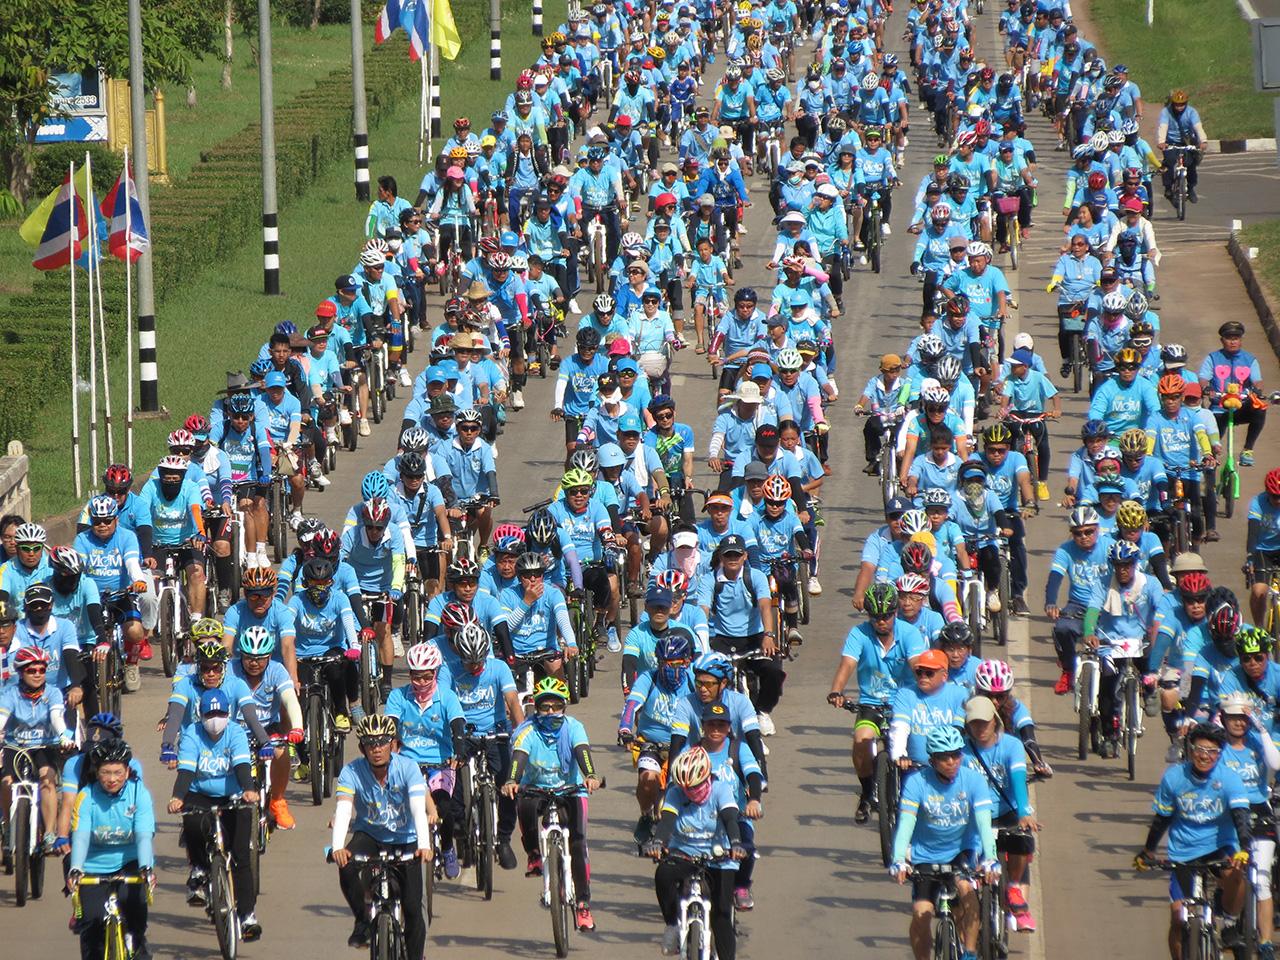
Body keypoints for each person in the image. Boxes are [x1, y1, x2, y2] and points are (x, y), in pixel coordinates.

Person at [1136, 723, 1253, 960]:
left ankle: (1229, 922)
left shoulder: (1229, 778)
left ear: (1220, 754)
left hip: (1220, 846)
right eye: (1200, 749)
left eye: (1212, 752)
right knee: (1178, 918)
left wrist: (1244, 848)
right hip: (1183, 851)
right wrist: (1147, 851)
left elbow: (1240, 816)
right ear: (1190, 750)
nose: (1205, 756)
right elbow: (1162, 818)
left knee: (1236, 873)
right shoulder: (1174, 777)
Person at [331, 714, 437, 956]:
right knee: (346, 864)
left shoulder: (408, 767)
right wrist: (338, 847)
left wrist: (424, 844)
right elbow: (344, 809)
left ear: (393, 744)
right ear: (362, 748)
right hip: (370, 835)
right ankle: (362, 921)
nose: (376, 749)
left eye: (382, 742)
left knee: (413, 909)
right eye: (370, 744)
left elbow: (417, 808)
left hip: (406, 839)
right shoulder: (351, 772)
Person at [890, 726, 999, 960]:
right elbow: (906, 824)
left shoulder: (974, 780)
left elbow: (984, 823)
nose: (951, 762)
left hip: (963, 850)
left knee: (967, 891)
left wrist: (991, 858)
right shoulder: (916, 782)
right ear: (932, 760)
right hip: (926, 855)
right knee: (921, 913)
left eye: (956, 755)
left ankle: (969, 953)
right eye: (943, 757)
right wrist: (898, 859)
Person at [502, 677, 602, 932]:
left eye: (556, 706)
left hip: (571, 790)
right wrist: (512, 780)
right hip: (536, 789)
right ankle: (534, 855)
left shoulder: (574, 727)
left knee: (578, 844)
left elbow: (582, 752)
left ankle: (583, 905)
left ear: (564, 707)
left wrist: (590, 775)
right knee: (523, 804)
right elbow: (519, 757)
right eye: (544, 707)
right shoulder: (527, 731)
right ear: (536, 708)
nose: (550, 712)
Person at [828, 583, 927, 823]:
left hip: (905, 702)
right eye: (875, 617)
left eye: (886, 616)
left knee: (920, 749)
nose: (881, 622)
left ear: (895, 612)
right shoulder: (859, 634)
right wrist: (836, 691)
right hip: (871, 702)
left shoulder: (910, 634)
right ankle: (867, 792)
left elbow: (917, 666)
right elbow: (847, 665)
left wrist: (926, 689)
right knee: (861, 740)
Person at [169, 688, 262, 939]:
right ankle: (199, 868)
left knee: (241, 855)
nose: (214, 719)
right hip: (199, 793)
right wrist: (177, 797)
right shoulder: (191, 733)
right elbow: (186, 771)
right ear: (200, 715)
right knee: (192, 824)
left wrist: (249, 790)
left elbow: (242, 765)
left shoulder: (236, 732)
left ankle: (247, 916)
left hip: (234, 795)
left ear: (228, 714)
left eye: (220, 713)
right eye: (209, 715)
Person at [643, 746, 748, 958]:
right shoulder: (675, 793)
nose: (691, 791)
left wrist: (736, 844)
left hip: (719, 857)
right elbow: (667, 821)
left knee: (721, 915)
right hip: (684, 854)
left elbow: (730, 819)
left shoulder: (721, 789)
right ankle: (672, 925)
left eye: (695, 786)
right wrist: (658, 842)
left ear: (707, 776)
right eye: (686, 788)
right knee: (663, 874)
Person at [384, 641, 467, 880]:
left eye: (427, 677)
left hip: (439, 764)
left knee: (444, 808)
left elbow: (457, 725)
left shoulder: (447, 697)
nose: (421, 683)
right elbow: (390, 726)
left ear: (436, 673)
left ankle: (448, 848)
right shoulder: (398, 696)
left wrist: (459, 751)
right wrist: (391, 747)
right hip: (408, 764)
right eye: (416, 677)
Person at [67, 739, 156, 960]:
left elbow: (144, 836)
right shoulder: (86, 796)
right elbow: (80, 837)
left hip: (130, 863)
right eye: (105, 772)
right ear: (96, 772)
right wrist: (76, 869)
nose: (112, 779)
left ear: (127, 771)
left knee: (136, 914)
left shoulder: (139, 794)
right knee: (92, 925)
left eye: (118, 772)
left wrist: (146, 867)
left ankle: (136, 944)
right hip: (93, 866)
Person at [962, 696, 1040, 934]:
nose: (980, 728)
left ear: (995, 721)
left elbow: (1018, 779)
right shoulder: (962, 750)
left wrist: (1024, 812)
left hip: (1006, 811)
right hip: (975, 815)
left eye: (984, 723)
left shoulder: (1012, 745)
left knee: (1021, 840)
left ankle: (1014, 886)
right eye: (974, 723)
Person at [1217, 690, 1280, 956]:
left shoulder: (1257, 741)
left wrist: (1262, 730)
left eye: (1243, 718)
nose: (1238, 722)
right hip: (1228, 815)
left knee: (1262, 879)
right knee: (1234, 874)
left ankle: (1265, 943)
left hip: (1259, 811)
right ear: (1223, 718)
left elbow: (1276, 763)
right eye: (1233, 717)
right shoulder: (1218, 747)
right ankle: (1230, 920)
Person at [0, 647, 74, 848]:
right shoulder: (10, 694)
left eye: (42, 670)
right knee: (6, 782)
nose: (38, 674)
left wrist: (63, 736)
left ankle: (49, 832)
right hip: (15, 746)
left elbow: (56, 717)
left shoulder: (53, 692)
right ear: (21, 672)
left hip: (45, 745)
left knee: (47, 780)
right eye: (31, 670)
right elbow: (2, 718)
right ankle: (7, 825)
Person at [1156, 90, 1207, 204]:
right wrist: (1161, 142)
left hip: (1187, 142)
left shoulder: (1191, 112)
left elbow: (1198, 127)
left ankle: (1191, 188)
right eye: (1177, 104)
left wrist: (1203, 141)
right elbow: (1162, 127)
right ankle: (1168, 187)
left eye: (1182, 104)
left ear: (1186, 103)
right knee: (1169, 163)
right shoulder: (1166, 112)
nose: (1179, 107)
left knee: (1191, 164)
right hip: (1170, 142)